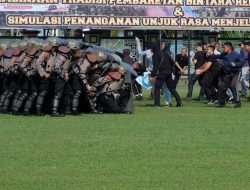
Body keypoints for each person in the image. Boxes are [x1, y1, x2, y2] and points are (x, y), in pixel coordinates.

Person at [149, 40, 182, 107]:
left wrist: (152, 75)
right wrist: (172, 72)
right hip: (168, 73)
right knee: (171, 88)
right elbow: (172, 62)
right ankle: (179, 102)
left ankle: (156, 104)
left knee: (157, 87)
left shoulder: (156, 55)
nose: (150, 50)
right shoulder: (164, 53)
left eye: (150, 49)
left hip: (162, 73)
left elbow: (155, 67)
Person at [216, 42, 244, 108]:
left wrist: (236, 64)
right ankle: (222, 103)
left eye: (224, 47)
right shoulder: (223, 54)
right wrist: (210, 55)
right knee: (221, 87)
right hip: (228, 73)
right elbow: (216, 56)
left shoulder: (236, 54)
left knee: (233, 85)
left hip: (236, 72)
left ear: (229, 48)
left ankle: (237, 103)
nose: (223, 48)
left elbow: (242, 61)